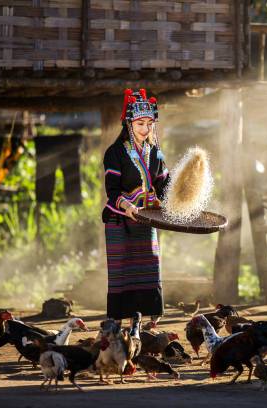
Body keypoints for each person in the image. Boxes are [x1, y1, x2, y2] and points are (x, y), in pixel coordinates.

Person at [102, 89, 170, 327]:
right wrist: (129, 206)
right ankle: (119, 323)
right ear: (129, 123)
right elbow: (112, 193)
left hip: (146, 220)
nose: (145, 129)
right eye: (140, 123)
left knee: (150, 265)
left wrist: (178, 200)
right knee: (123, 272)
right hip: (120, 221)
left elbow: (164, 187)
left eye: (149, 124)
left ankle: (146, 323)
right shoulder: (115, 153)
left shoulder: (155, 154)